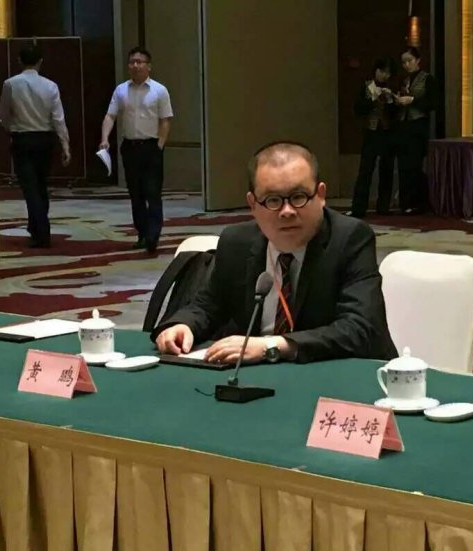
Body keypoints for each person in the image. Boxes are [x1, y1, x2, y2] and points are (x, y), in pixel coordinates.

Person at [153, 141, 397, 364]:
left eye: (299, 197)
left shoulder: (350, 238)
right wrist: (183, 326)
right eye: (272, 200)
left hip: (337, 376)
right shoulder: (237, 242)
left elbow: (360, 328)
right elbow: (208, 305)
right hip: (258, 378)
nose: (287, 211)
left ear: (321, 195)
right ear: (252, 204)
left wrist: (272, 346)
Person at [100, 47, 174, 253]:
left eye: (140, 62)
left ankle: (153, 236)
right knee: (136, 194)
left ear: (148, 66)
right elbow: (110, 116)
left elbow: (166, 120)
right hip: (130, 147)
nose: (135, 65)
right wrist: (104, 138)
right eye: (132, 62)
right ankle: (142, 233)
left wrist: (160, 144)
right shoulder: (121, 90)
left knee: (153, 192)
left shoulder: (159, 90)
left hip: (151, 147)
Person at [0, 44, 71, 248]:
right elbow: (58, 118)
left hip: (22, 140)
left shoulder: (10, 84)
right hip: (45, 140)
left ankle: (41, 231)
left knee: (30, 188)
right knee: (40, 185)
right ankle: (37, 227)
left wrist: (10, 128)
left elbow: (3, 114)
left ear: (19, 61)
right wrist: (65, 144)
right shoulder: (51, 86)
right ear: (40, 62)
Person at [348, 57, 397, 218]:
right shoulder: (366, 87)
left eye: (387, 73)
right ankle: (358, 208)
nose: (384, 75)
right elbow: (358, 109)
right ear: (375, 71)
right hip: (371, 132)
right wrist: (373, 99)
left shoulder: (391, 88)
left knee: (387, 170)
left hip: (387, 133)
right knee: (365, 170)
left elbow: (396, 114)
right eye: (382, 71)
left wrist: (391, 101)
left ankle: (384, 206)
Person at [395, 47, 439, 215]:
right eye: (404, 62)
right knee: (403, 166)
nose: (407, 65)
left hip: (418, 125)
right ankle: (405, 203)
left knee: (415, 165)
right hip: (404, 125)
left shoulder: (427, 79)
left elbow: (433, 102)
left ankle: (419, 202)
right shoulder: (404, 80)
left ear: (418, 60)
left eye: (410, 61)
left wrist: (412, 100)